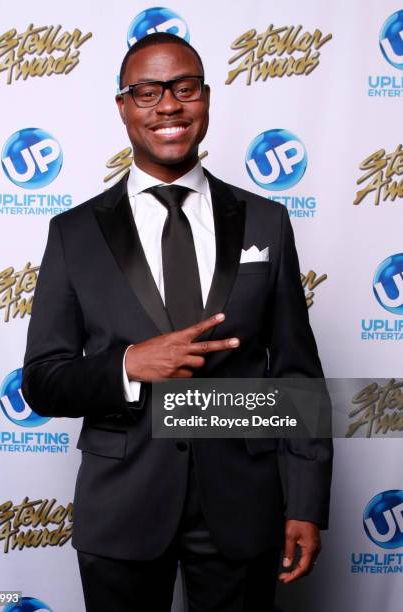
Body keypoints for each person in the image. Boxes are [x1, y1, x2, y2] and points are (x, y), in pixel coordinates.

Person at [22, 32, 333, 612]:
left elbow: (297, 376)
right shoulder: (74, 233)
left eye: (184, 88)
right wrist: (128, 367)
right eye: (147, 92)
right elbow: (42, 381)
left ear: (206, 99)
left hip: (242, 505)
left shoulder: (267, 221)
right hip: (123, 507)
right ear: (123, 106)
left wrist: (306, 503)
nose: (168, 106)